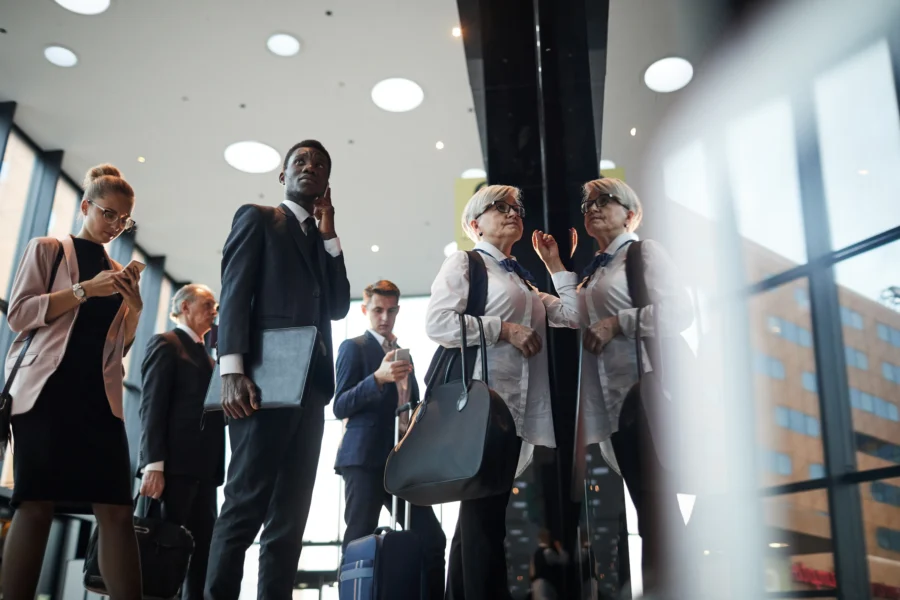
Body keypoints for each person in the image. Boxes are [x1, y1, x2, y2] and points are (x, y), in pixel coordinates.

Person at [206, 140, 351, 600]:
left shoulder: (319, 237)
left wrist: (330, 234)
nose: (311, 167)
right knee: (244, 507)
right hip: (259, 386)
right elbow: (233, 294)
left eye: (320, 164)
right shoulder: (258, 218)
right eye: (301, 162)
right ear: (283, 176)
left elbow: (339, 305)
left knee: (289, 519)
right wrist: (231, 369)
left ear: (327, 182)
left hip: (310, 392)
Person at [533, 177, 693, 596]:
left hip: (649, 397)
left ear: (631, 213)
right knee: (648, 507)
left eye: (606, 200)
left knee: (657, 508)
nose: (594, 207)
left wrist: (617, 323)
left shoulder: (644, 253)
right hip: (614, 407)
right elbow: (571, 315)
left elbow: (679, 312)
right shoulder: (598, 269)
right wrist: (552, 271)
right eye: (587, 202)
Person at [425, 184, 580, 600]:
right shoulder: (466, 262)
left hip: (512, 412)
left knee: (481, 517)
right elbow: (438, 323)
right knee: (485, 520)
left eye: (516, 207)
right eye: (499, 207)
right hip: (480, 407)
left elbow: (572, 314)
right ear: (475, 224)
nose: (512, 212)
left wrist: (554, 264)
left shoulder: (521, 278)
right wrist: (503, 329)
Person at [1, 164, 143, 599]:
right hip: (46, 394)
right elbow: (20, 315)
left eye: (124, 220)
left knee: (117, 510)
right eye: (108, 214)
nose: (116, 226)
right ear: (85, 206)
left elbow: (116, 349)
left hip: (99, 401)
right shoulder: (47, 249)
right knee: (36, 505)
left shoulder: (117, 271)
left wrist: (134, 308)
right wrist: (85, 290)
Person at [333, 280, 446, 599]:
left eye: (390, 310)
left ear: (398, 310)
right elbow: (340, 404)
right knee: (357, 538)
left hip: (401, 460)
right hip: (365, 459)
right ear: (365, 310)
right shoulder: (353, 348)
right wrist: (377, 379)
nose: (384, 317)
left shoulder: (402, 354)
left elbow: (409, 407)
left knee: (432, 539)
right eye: (378, 310)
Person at [137, 283, 224, 600]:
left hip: (204, 471)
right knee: (162, 551)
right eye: (208, 304)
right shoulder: (166, 343)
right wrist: (153, 464)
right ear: (185, 307)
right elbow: (151, 406)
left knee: (201, 552)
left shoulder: (208, 355)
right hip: (172, 469)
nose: (214, 311)